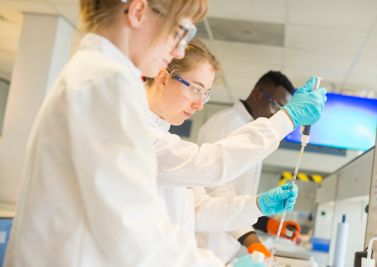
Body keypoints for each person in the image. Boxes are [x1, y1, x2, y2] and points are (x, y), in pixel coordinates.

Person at [4, 1, 241, 266]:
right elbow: (135, 230)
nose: (179, 50)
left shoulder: (97, 75)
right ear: (138, 12)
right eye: (179, 32)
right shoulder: (106, 82)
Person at [146, 35, 326, 263]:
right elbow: (210, 165)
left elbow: (198, 208)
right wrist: (287, 118)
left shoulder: (164, 135)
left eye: (206, 93)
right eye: (195, 89)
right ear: (163, 78)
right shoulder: (140, 136)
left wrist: (258, 206)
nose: (199, 104)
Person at [197, 71, 303, 262]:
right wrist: (251, 241)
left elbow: (239, 195)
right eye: (276, 106)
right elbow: (216, 189)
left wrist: (268, 224)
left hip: (224, 245)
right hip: (204, 245)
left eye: (282, 111)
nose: (275, 114)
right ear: (257, 94)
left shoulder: (254, 130)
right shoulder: (225, 124)